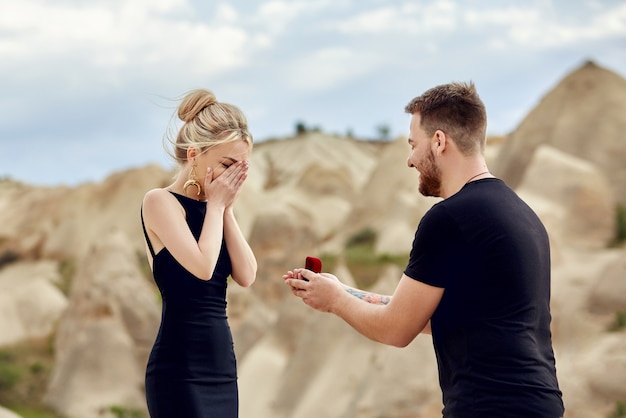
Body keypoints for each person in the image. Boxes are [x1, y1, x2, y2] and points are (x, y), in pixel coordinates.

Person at [284, 82, 564, 417]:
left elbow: (395, 329)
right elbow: (438, 317)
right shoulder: (522, 215)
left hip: (488, 406)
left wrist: (335, 302)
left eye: (413, 144)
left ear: (440, 141)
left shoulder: (449, 218)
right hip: (538, 403)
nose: (409, 159)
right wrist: (340, 289)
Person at [141, 89, 257, 417]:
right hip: (179, 370)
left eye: (241, 168)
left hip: (221, 366)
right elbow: (203, 267)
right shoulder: (159, 202)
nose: (232, 176)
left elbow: (247, 275)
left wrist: (226, 209)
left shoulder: (217, 211)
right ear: (194, 155)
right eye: (226, 164)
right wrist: (217, 205)